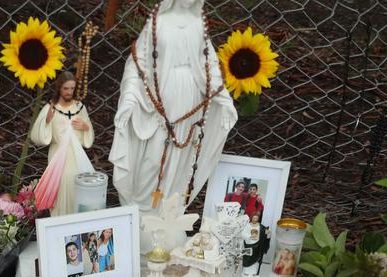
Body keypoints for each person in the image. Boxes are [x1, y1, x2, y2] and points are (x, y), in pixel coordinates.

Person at [110, 0, 237, 210]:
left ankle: (169, 212)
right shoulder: (157, 22)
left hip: (191, 98)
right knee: (153, 157)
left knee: (183, 156)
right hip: (161, 99)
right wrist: (130, 98)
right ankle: (142, 210)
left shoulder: (198, 23)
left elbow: (210, 65)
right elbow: (138, 62)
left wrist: (224, 100)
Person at [30, 71, 95, 216]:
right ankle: (60, 218)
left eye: (72, 88)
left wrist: (85, 127)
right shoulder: (50, 108)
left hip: (76, 153)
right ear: (59, 88)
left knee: (76, 182)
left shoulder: (79, 107)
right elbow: (36, 135)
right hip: (57, 153)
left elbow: (88, 129)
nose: (69, 92)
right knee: (59, 184)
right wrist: (47, 121)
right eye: (66, 88)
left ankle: (78, 216)